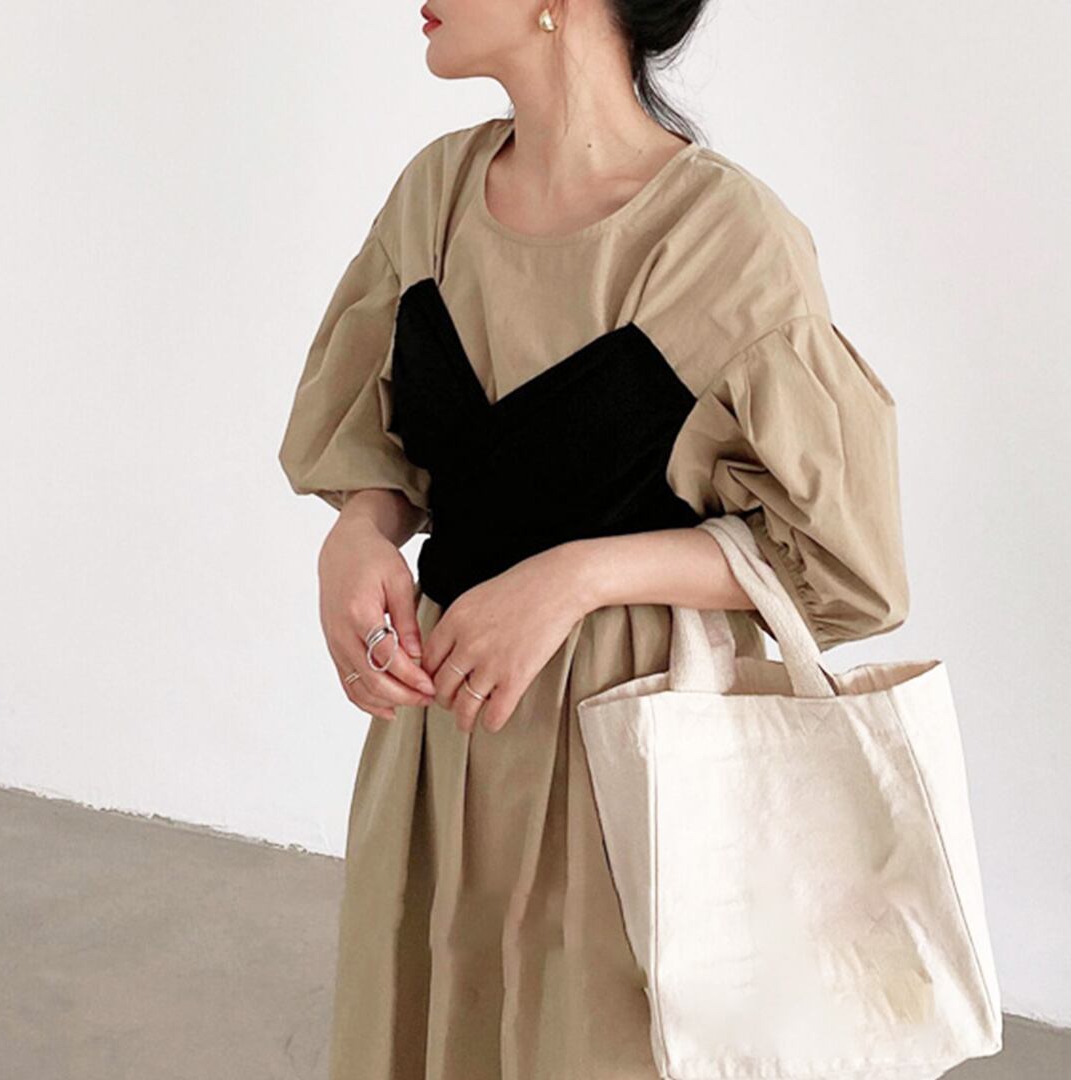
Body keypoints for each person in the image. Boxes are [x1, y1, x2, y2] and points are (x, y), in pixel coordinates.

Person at [278, 2, 910, 1077]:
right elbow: (384, 444)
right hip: (440, 741)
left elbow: (846, 564)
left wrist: (579, 576)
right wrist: (358, 533)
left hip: (631, 754)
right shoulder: (434, 197)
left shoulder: (724, 241)